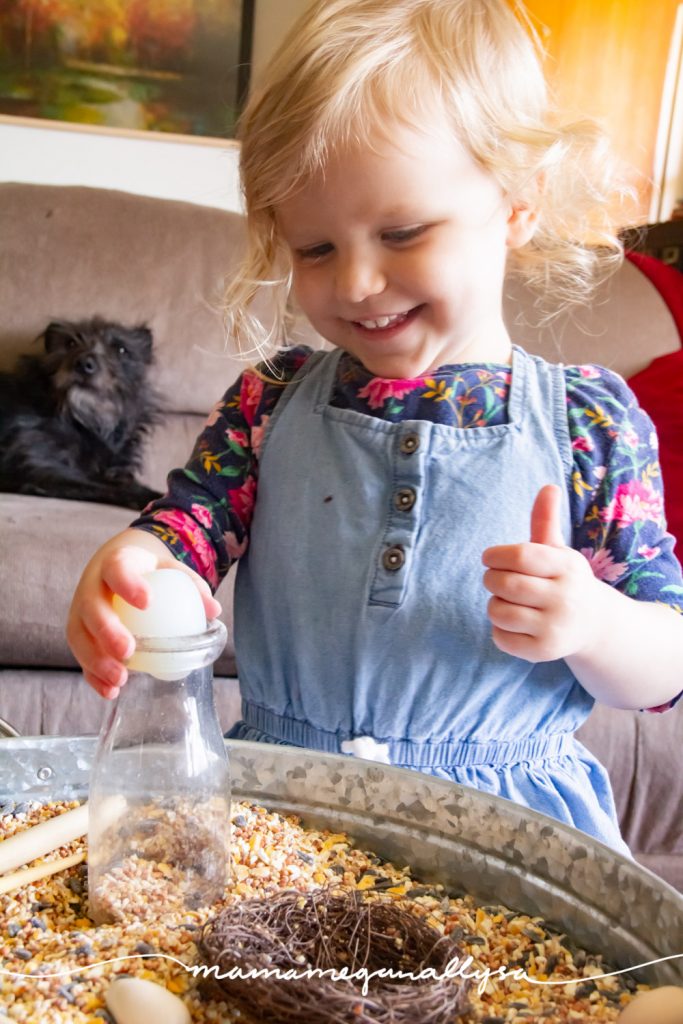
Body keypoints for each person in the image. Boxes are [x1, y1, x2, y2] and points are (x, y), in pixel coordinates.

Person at [68, 0, 683, 854]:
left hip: (508, 845)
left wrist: (593, 624)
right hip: (278, 817)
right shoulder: (269, 400)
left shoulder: (589, 424)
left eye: (401, 232)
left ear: (516, 203)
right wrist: (132, 568)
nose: (355, 282)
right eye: (314, 249)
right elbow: (185, 532)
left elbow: (665, 670)